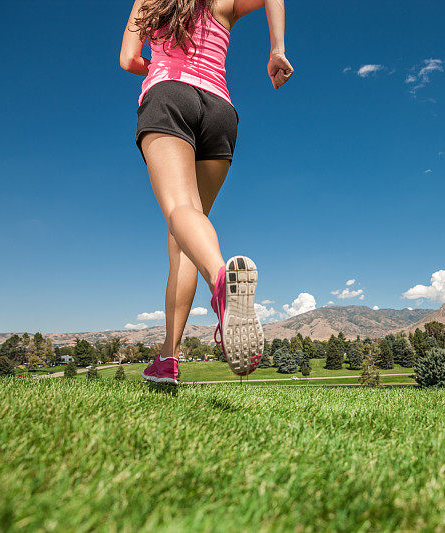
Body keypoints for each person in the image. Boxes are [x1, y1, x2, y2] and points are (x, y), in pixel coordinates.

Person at [119, 0, 293, 384]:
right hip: (220, 110)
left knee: (180, 209)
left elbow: (128, 59)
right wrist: (276, 49)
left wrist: (160, 64)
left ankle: (222, 287)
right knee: (185, 233)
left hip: (169, 97)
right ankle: (168, 358)